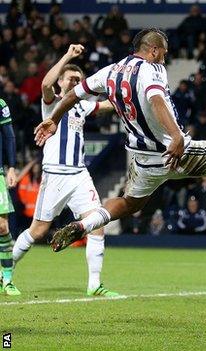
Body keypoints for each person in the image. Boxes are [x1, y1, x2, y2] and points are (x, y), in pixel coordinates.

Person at [34, 28, 206, 250]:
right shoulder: (152, 68)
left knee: (130, 203)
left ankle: (83, 225)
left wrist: (54, 119)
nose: (164, 60)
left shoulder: (110, 71)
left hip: (142, 160)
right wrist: (176, 136)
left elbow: (73, 95)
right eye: (163, 54)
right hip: (174, 152)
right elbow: (156, 100)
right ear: (153, 50)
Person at [12, 44, 118, 296]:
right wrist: (68, 57)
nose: (76, 82)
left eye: (79, 80)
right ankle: (6, 271)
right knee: (38, 231)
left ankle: (94, 285)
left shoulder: (82, 105)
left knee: (97, 224)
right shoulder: (52, 103)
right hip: (55, 174)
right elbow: (45, 85)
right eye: (71, 78)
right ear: (61, 80)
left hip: (80, 174)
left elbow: (107, 106)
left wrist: (128, 93)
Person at [0, 97, 19, 295]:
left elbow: (9, 136)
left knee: (2, 225)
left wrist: (11, 167)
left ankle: (7, 278)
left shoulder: (1, 104)